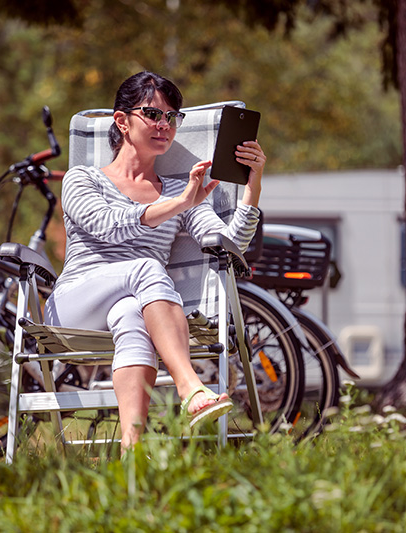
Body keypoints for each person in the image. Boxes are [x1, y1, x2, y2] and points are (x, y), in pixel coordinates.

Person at [45, 71, 265, 452]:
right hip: (75, 305)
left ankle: (132, 451)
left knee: (132, 312)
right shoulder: (83, 179)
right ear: (121, 121)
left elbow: (227, 245)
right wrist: (177, 206)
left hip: (134, 303)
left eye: (172, 117)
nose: (165, 125)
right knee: (147, 267)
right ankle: (189, 386)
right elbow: (110, 227)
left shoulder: (183, 190)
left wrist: (253, 186)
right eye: (153, 114)